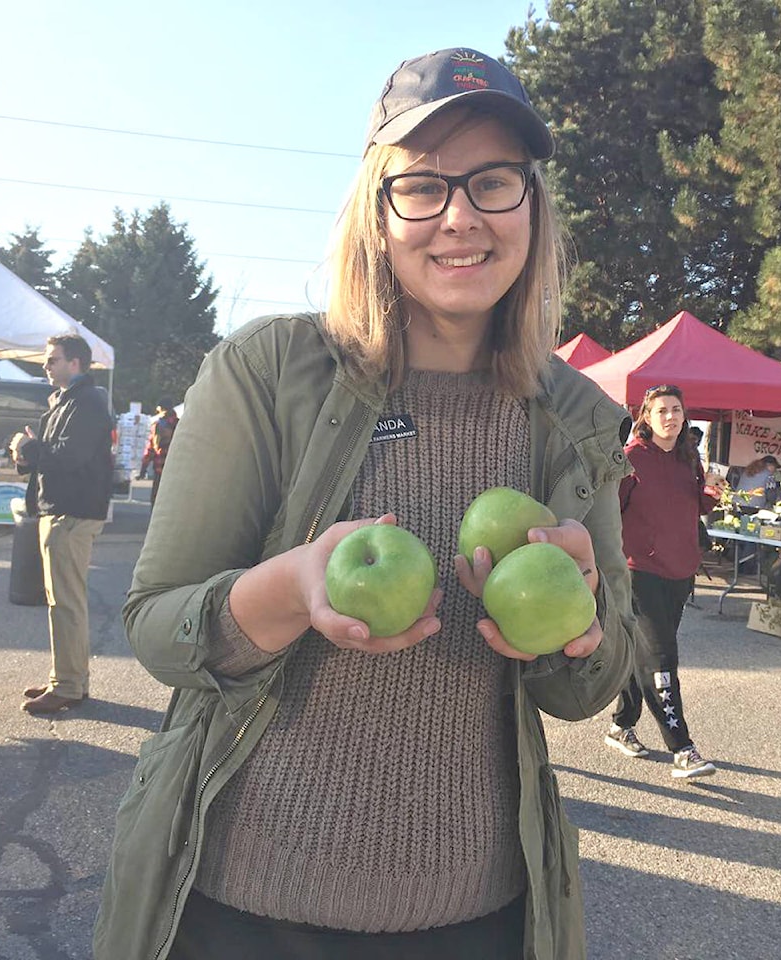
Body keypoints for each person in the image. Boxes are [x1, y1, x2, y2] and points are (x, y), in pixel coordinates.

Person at [94, 46, 637, 960]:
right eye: (422, 186)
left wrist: (580, 630)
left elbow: (588, 689)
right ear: (377, 213)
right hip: (242, 910)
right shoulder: (267, 372)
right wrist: (288, 590)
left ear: (531, 208)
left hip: (479, 916)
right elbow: (157, 627)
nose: (459, 215)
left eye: (493, 182)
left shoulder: (575, 417)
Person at [604, 384, 721, 779]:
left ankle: (621, 725)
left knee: (647, 656)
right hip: (641, 573)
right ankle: (683, 749)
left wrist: (710, 495)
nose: (670, 417)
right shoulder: (632, 458)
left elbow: (694, 507)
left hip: (681, 572)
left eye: (676, 409)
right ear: (647, 417)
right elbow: (608, 512)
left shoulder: (691, 458)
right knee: (662, 658)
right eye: (661, 411)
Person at [9, 334, 113, 714]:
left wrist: (28, 447)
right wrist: (28, 454)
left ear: (76, 363)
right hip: (62, 509)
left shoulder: (86, 402)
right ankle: (71, 679)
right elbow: (55, 456)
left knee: (64, 603)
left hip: (71, 512)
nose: (46, 366)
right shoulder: (68, 400)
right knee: (65, 601)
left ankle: (67, 684)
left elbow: (69, 456)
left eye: (53, 360)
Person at [138, 397, 179, 504]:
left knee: (156, 501)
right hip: (175, 468)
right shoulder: (179, 424)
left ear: (161, 409)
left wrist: (143, 469)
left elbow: (150, 449)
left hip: (159, 467)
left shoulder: (156, 425)